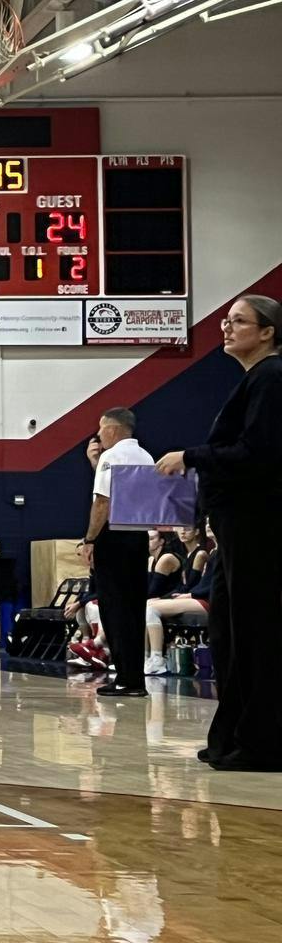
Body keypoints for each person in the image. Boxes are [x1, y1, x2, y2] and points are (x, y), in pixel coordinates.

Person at [156, 295, 282, 769]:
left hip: (257, 523)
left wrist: (192, 456)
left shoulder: (271, 378)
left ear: (267, 331)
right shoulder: (254, 380)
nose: (225, 328)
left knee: (254, 631)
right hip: (234, 526)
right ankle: (234, 737)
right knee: (229, 629)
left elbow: (258, 453)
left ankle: (262, 741)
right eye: (225, 320)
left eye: (238, 322)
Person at [81, 406, 153, 698]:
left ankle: (124, 677)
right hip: (138, 538)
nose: (98, 435)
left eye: (101, 429)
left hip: (113, 538)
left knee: (113, 608)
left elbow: (103, 503)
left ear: (112, 429)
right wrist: (96, 464)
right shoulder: (146, 457)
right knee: (134, 607)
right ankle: (134, 677)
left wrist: (89, 540)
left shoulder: (112, 457)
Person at [144, 536, 214, 676]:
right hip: (196, 595)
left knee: (152, 609)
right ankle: (146, 657)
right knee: (146, 605)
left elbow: (207, 586)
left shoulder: (205, 554)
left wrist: (189, 595)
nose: (183, 531)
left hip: (208, 600)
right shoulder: (211, 552)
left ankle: (158, 659)